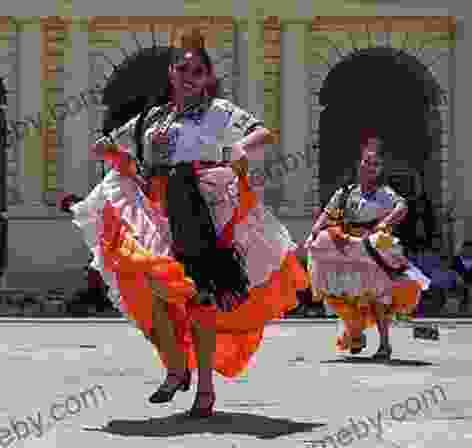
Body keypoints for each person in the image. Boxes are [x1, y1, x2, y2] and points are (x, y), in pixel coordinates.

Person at [59, 29, 308, 418]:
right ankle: (177, 368)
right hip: (158, 210)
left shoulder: (219, 112)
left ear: (207, 77)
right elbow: (105, 146)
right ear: (171, 73)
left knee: (200, 298)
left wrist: (241, 146)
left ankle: (203, 388)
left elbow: (262, 132)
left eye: (198, 70)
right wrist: (125, 162)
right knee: (154, 283)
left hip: (205, 209)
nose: (189, 76)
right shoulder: (152, 119)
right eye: (183, 68)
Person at [304, 132, 431, 360]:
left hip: (371, 252)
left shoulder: (384, 193)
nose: (371, 167)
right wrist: (315, 231)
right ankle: (355, 335)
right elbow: (327, 213)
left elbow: (401, 206)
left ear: (380, 169)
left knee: (378, 298)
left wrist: (384, 223)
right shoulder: (346, 192)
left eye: (376, 164)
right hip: (347, 251)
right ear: (358, 164)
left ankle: (384, 345)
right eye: (367, 162)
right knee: (343, 296)